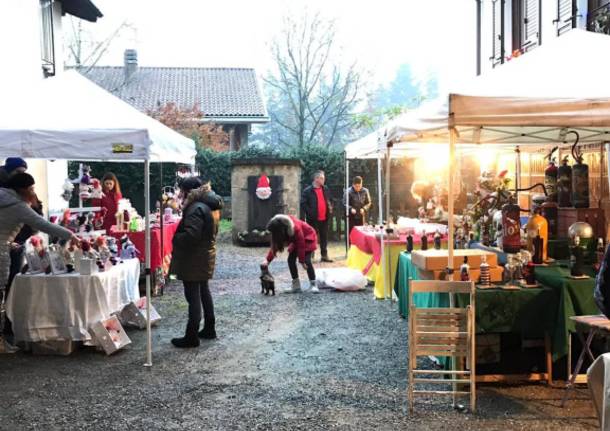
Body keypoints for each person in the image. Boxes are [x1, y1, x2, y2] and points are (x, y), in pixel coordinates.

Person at [0, 173, 76, 302]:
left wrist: (7, 240)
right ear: (22, 189)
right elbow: (43, 225)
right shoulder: (19, 206)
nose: (33, 192)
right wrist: (71, 236)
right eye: (31, 189)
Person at [169, 177, 223, 348]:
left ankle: (191, 336)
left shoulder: (196, 207)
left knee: (193, 296)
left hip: (194, 257)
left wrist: (176, 238)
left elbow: (192, 235)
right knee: (203, 292)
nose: (180, 194)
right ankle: (209, 328)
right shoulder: (210, 204)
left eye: (182, 190)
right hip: (204, 254)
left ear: (188, 191)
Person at [262, 214, 319, 294]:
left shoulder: (295, 228)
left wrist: (302, 261)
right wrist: (267, 260)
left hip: (308, 237)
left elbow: (301, 244)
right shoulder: (279, 227)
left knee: (307, 261)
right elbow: (275, 245)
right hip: (297, 241)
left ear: (279, 230)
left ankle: (313, 285)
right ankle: (296, 286)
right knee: (290, 260)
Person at [301, 170, 333, 262]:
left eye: (324, 178)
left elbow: (330, 199)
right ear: (316, 179)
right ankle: (310, 256)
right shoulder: (307, 191)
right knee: (311, 238)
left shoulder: (325, 188)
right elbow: (303, 204)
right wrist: (310, 213)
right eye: (322, 178)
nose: (324, 180)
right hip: (313, 219)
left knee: (324, 237)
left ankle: (324, 256)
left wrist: (330, 207)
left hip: (325, 218)